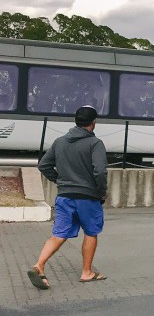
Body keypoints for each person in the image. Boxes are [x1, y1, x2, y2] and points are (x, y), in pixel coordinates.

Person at [27, 105, 108, 290]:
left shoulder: (60, 142)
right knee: (91, 232)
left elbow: (44, 165)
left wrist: (60, 181)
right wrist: (101, 192)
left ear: (76, 121)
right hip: (87, 197)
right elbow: (100, 171)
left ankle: (39, 265)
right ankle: (87, 272)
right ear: (93, 123)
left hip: (64, 196)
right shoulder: (95, 144)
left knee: (59, 234)